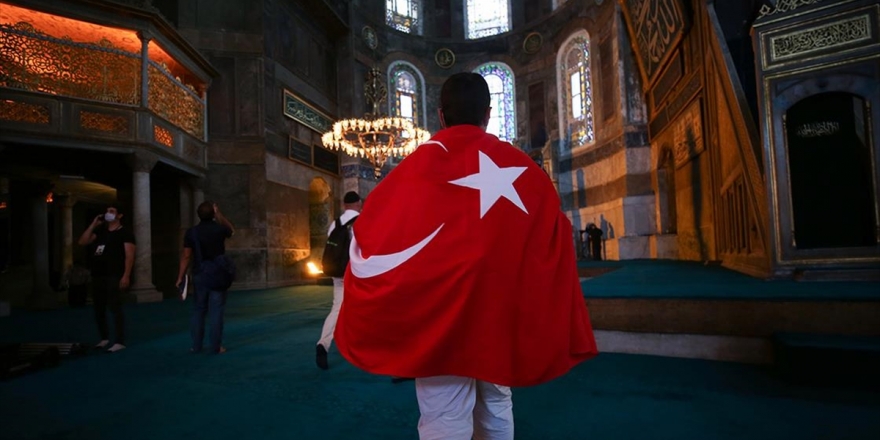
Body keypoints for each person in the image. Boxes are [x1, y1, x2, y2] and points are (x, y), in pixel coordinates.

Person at [335, 72, 598, 440]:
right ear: (488, 114)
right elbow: (553, 241)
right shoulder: (525, 170)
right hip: (500, 314)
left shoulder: (414, 169)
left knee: (444, 414)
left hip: (441, 318)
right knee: (496, 402)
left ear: (440, 116)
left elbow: (372, 227)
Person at [176, 201, 235, 354]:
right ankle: (216, 346)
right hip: (217, 273)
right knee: (216, 311)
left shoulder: (192, 232)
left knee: (198, 310)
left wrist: (180, 276)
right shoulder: (219, 229)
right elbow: (231, 230)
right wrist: (219, 214)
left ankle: (196, 346)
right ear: (213, 214)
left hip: (200, 272)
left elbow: (186, 256)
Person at [77, 204, 135, 353]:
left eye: (112, 211)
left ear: (119, 215)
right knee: (98, 309)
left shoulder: (125, 233)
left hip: (114, 274)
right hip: (98, 274)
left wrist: (126, 275)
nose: (108, 213)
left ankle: (119, 341)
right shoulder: (101, 232)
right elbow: (82, 242)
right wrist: (93, 225)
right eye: (107, 211)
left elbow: (129, 256)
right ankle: (104, 338)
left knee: (115, 307)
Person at [316, 191, 362, 370]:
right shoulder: (362, 222)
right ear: (359, 203)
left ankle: (323, 344)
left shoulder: (335, 224)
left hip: (338, 273)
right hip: (357, 273)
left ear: (344, 205)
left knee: (337, 308)